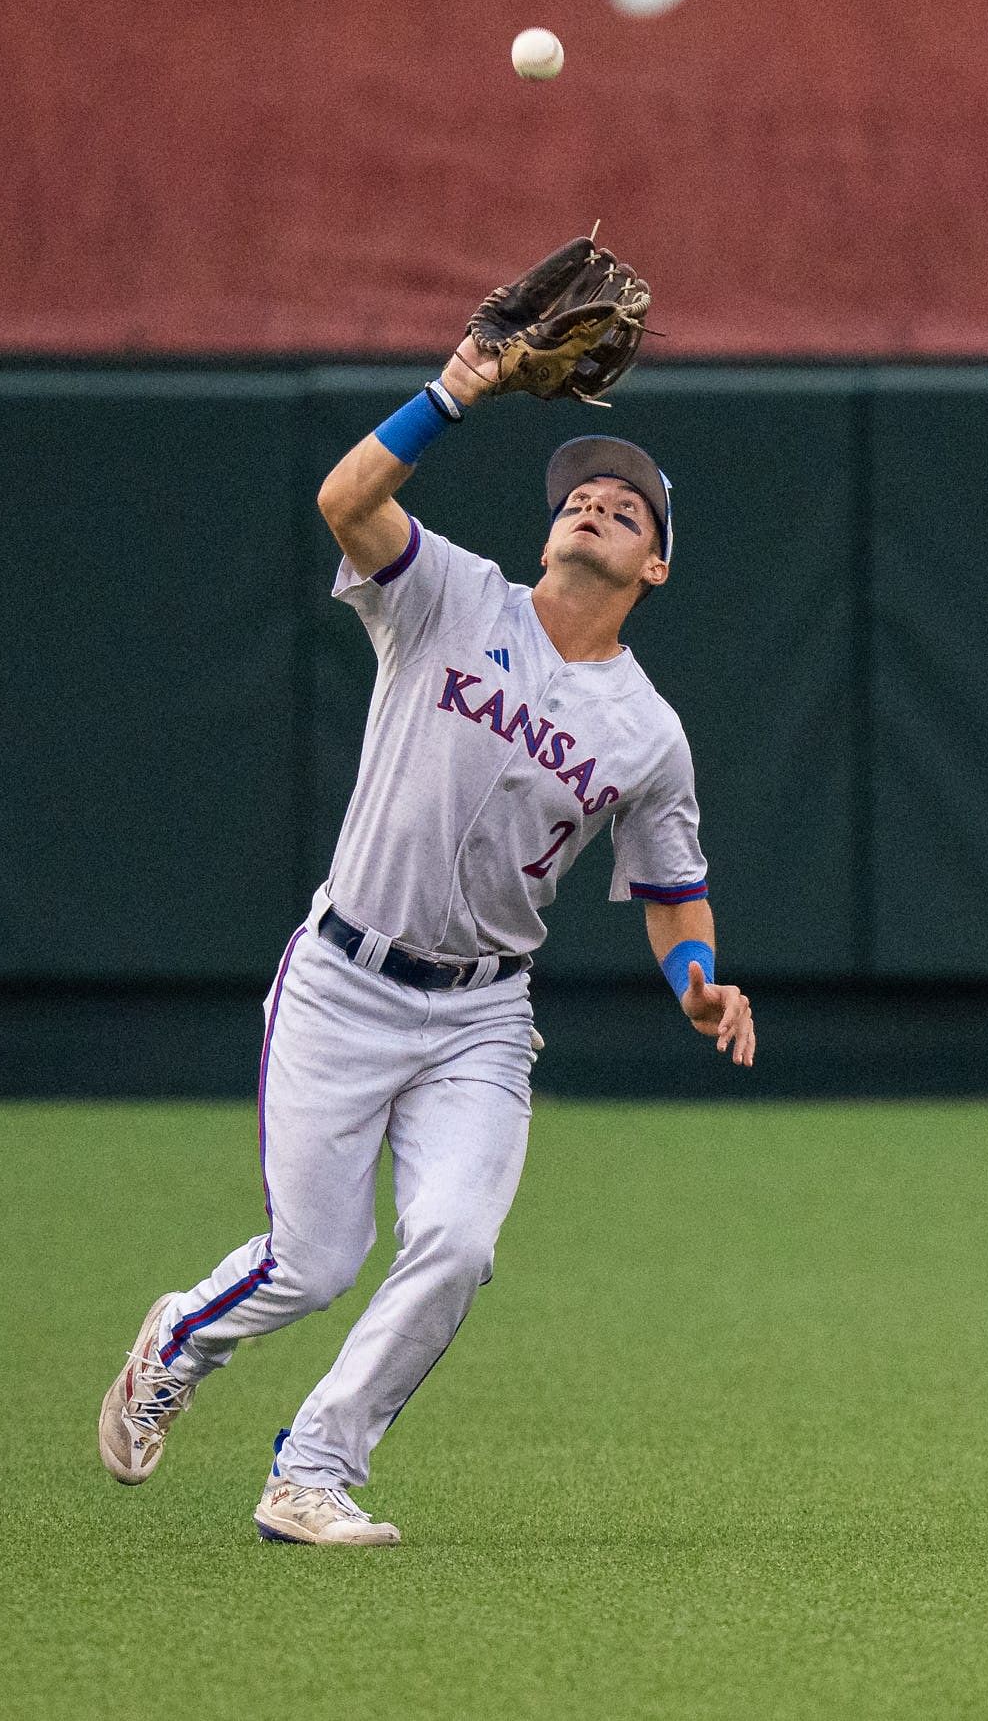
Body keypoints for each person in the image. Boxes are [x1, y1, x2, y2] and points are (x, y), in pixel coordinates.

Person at [94, 314, 754, 1546]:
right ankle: (180, 1337)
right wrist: (456, 391)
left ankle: (313, 1470)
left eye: (630, 506)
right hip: (345, 979)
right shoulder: (450, 594)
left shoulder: (649, 733)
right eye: (581, 492)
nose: (598, 504)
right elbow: (348, 501)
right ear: (548, 528)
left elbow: (671, 892)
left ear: (656, 568)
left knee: (455, 1243)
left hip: (482, 1016)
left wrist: (702, 982)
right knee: (315, 1261)